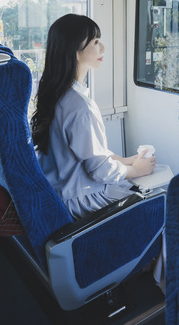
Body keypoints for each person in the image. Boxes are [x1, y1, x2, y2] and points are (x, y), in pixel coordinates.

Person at [30, 13, 156, 219]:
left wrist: (127, 161)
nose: (103, 48)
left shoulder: (57, 94)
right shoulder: (80, 107)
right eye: (96, 42)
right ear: (75, 51)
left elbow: (90, 152)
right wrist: (136, 171)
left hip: (62, 192)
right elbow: (99, 169)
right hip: (82, 198)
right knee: (156, 203)